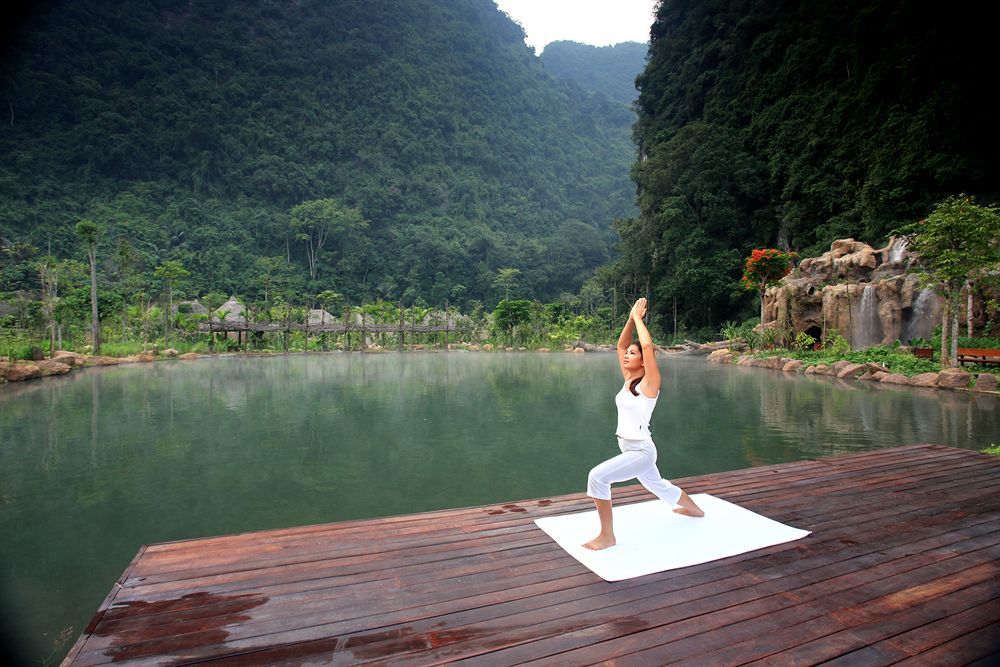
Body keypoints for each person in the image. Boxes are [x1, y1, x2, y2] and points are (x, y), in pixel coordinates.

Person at [583, 297, 703, 551]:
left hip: (641, 451)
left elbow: (647, 347)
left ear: (642, 360)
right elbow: (620, 344)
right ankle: (695, 510)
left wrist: (638, 318)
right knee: (658, 485)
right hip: (631, 449)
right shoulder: (628, 379)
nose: (626, 355)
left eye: (632, 354)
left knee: (598, 477)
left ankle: (607, 536)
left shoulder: (650, 384)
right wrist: (629, 318)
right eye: (627, 354)